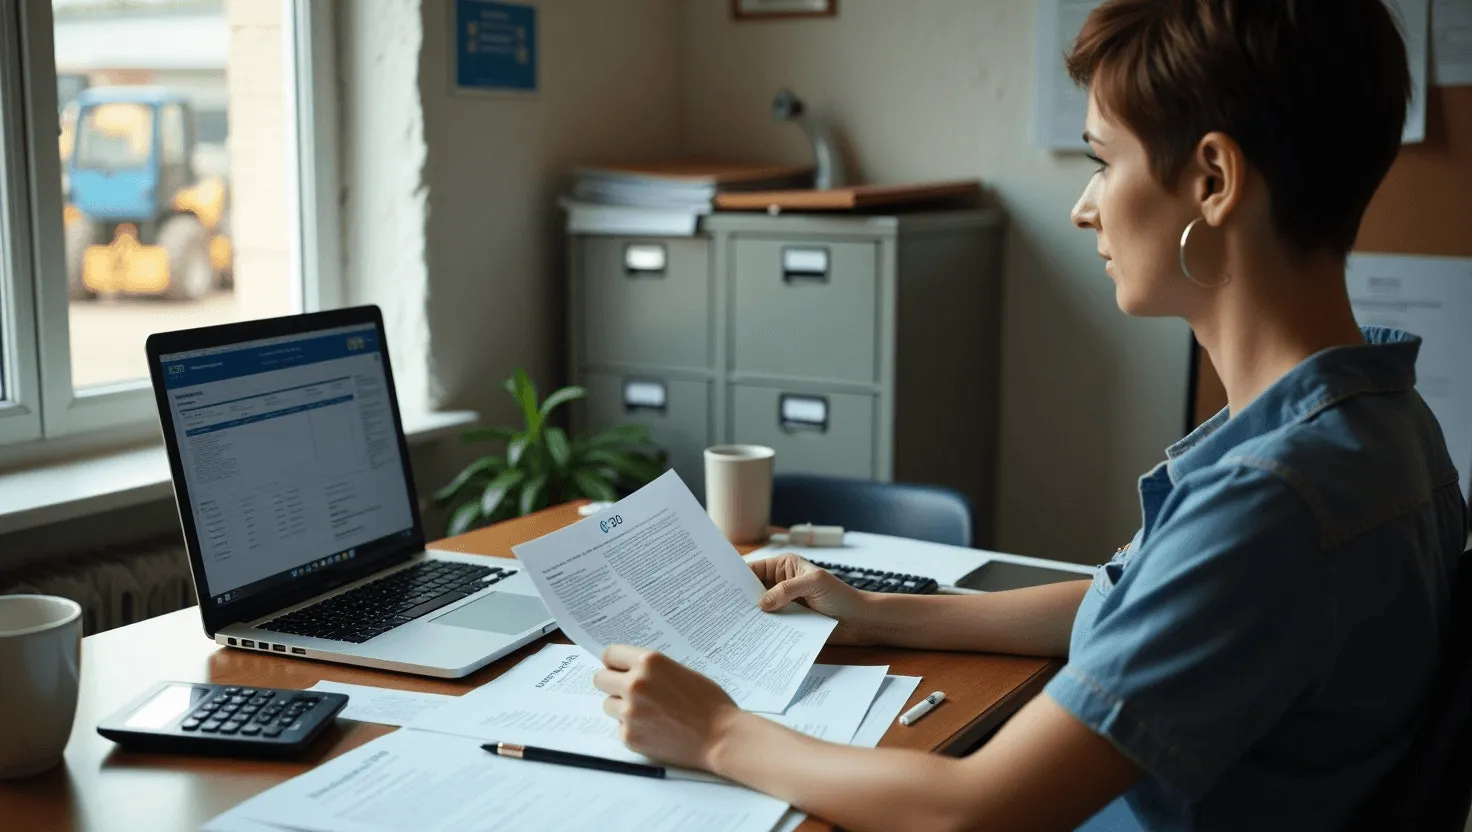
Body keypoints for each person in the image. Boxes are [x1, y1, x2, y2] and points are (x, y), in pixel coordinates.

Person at [592, 1, 1467, 828]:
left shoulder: (1271, 502)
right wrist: (873, 612)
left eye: (1102, 159)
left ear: (1213, 179)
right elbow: (1142, 600)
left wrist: (715, 732)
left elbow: (973, 812)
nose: (1085, 205)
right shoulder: (1381, 421)